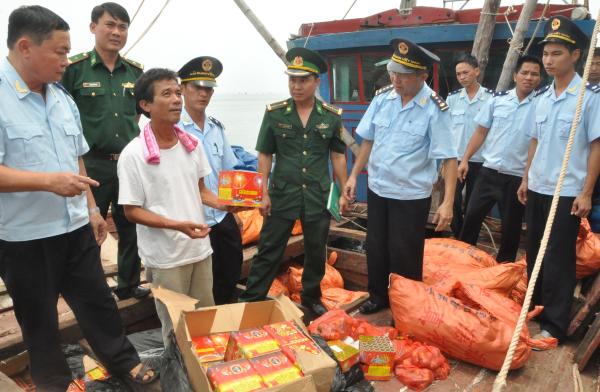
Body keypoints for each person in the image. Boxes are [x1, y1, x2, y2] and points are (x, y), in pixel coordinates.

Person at [0, 6, 155, 390]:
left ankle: (123, 361)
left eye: (69, 52)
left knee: (98, 301)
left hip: (73, 226)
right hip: (25, 237)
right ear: (25, 47)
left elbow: (77, 155)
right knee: (38, 318)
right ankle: (54, 381)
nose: (66, 61)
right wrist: (46, 182)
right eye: (60, 52)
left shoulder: (62, 98)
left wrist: (90, 209)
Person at [118, 68, 235, 347]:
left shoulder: (191, 145)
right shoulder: (133, 155)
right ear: (145, 105)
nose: (176, 100)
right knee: (176, 329)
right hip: (167, 257)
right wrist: (176, 225)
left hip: (199, 249)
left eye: (178, 93)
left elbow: (202, 191)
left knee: (206, 321)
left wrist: (229, 205)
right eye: (166, 94)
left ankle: (206, 376)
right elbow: (131, 211)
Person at [344, 38, 458, 314]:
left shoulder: (435, 108)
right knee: (376, 248)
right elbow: (368, 141)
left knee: (405, 254)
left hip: (410, 195)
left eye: (405, 75)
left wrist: (447, 203)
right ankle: (378, 297)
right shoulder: (383, 99)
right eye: (394, 72)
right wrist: (352, 176)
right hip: (378, 188)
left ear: (423, 75)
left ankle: (407, 308)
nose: (396, 79)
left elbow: (449, 158)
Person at [239, 47, 348, 316]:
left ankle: (311, 296)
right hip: (282, 194)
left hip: (317, 195)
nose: (296, 86)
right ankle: (253, 298)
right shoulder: (275, 113)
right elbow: (264, 153)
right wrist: (261, 192)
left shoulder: (331, 116)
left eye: (303, 80)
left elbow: (337, 155)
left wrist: (344, 189)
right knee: (269, 248)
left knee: (315, 250)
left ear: (316, 82)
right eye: (292, 80)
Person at [517, 15, 600, 342]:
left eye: (557, 54)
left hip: (566, 192)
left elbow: (597, 146)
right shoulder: (541, 98)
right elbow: (534, 141)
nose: (549, 61)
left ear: (577, 55)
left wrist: (587, 191)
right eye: (546, 54)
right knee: (535, 252)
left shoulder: (590, 97)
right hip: (537, 187)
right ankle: (536, 310)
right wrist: (525, 179)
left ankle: (554, 325)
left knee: (558, 258)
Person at [61, 2, 148, 301]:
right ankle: (91, 293)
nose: (116, 32)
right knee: (89, 231)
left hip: (127, 164)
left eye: (122, 27)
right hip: (90, 165)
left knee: (131, 226)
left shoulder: (135, 72)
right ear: (93, 27)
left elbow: (138, 113)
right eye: (109, 25)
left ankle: (128, 285)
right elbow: (59, 114)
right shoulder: (74, 69)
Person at [458, 55, 543, 262]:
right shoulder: (497, 100)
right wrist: (465, 159)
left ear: (540, 79)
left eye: (534, 74)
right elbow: (480, 132)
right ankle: (461, 260)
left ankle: (504, 268)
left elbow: (539, 143)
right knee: (471, 218)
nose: (528, 78)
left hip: (516, 178)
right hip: (488, 173)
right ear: (515, 75)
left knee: (511, 229)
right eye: (524, 73)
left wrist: (526, 178)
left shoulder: (542, 105)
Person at [177, 56, 243, 305]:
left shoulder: (217, 129)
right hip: (190, 220)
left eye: (208, 88)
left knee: (228, 273)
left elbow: (229, 171)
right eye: (196, 87)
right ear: (182, 88)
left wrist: (234, 210)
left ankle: (224, 327)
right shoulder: (174, 130)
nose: (203, 94)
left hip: (220, 216)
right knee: (194, 286)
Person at [447, 54, 493, 238]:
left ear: (477, 71)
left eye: (466, 72)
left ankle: (469, 237)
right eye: (458, 74)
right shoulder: (452, 99)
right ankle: (458, 235)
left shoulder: (490, 98)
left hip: (480, 159)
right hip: (456, 159)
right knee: (453, 200)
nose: (462, 77)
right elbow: (446, 129)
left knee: (475, 203)